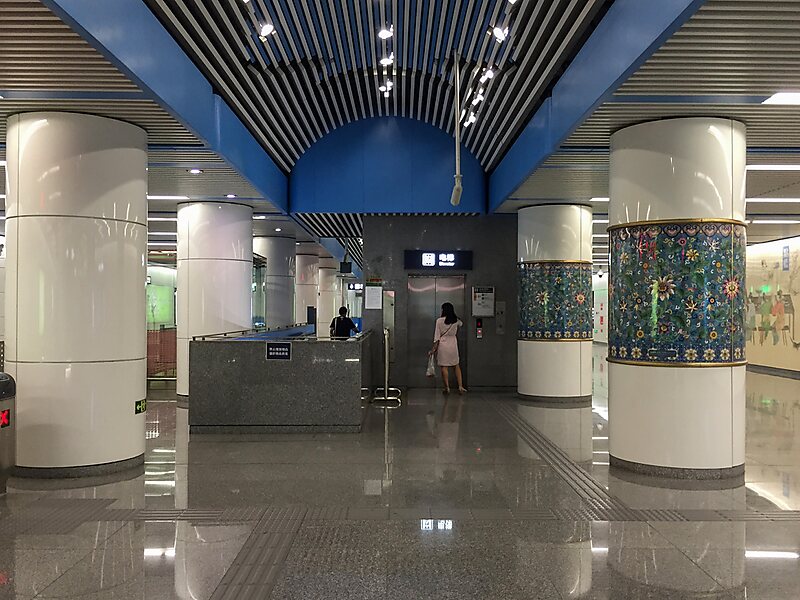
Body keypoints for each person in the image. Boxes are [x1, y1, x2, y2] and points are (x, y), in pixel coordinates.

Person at [429, 302, 466, 394]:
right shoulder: (456, 320)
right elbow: (461, 324)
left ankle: (447, 388)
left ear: (444, 310)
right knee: (456, 366)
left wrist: (433, 349)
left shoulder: (439, 321)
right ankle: (460, 386)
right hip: (453, 344)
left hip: (443, 345)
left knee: (444, 367)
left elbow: (437, 336)